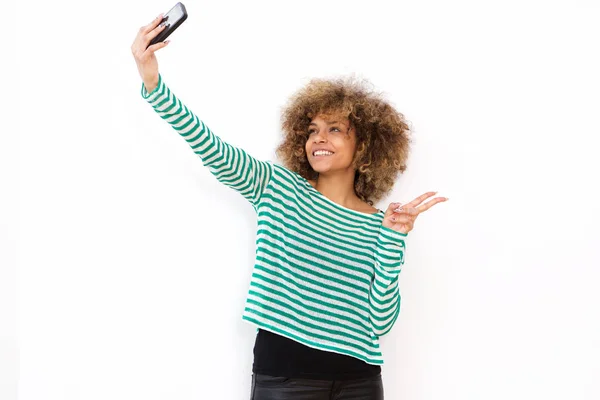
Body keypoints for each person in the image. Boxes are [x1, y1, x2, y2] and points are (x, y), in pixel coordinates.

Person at [131, 14, 448, 400]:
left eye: (334, 129)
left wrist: (394, 239)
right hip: (287, 376)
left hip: (360, 381)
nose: (319, 139)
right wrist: (154, 84)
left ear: (364, 145)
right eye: (312, 130)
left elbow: (380, 321)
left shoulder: (381, 224)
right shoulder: (277, 187)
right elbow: (212, 148)